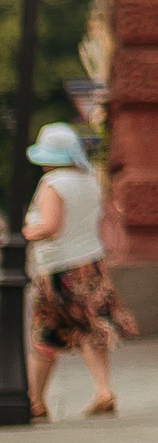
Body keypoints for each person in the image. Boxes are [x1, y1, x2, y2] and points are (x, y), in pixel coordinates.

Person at [26, 123, 135, 420]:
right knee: (90, 328)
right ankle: (103, 391)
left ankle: (35, 401)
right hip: (90, 263)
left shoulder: (54, 182)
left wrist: (23, 233)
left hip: (60, 269)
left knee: (45, 333)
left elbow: (50, 226)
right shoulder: (88, 181)